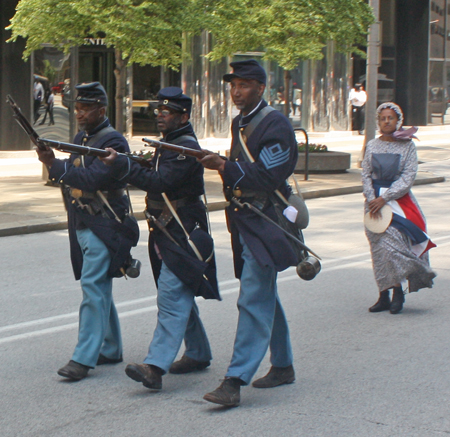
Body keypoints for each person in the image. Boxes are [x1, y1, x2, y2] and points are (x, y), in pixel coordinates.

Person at [100, 87, 220, 391]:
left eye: (167, 112)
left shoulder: (184, 148)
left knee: (170, 295)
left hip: (181, 230)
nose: (160, 116)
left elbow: (160, 181)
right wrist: (133, 161)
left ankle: (154, 366)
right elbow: (155, 170)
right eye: (159, 111)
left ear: (184, 116)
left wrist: (123, 166)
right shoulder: (170, 143)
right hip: (165, 230)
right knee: (179, 292)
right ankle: (197, 352)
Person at [199, 59, 299, 407]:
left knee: (253, 297)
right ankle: (283, 365)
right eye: (233, 86)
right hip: (244, 218)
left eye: (243, 85)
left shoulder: (275, 124)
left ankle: (235, 379)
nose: (235, 92)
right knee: (262, 293)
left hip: (266, 220)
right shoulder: (239, 123)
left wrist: (224, 166)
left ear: (260, 87)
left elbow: (267, 176)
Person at [36, 82, 137, 381]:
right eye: (76, 108)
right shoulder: (83, 136)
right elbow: (75, 165)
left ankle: (83, 357)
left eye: (85, 108)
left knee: (93, 287)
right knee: (98, 284)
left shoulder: (114, 142)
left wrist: (55, 166)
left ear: (102, 110)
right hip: (84, 221)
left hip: (104, 222)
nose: (78, 113)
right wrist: (51, 160)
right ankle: (110, 346)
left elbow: (91, 178)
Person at [362, 102, 436, 314]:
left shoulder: (408, 146)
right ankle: (383, 294)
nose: (387, 121)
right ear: (379, 121)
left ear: (398, 121)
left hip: (397, 203)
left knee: (392, 248)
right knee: (378, 251)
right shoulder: (372, 145)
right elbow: (365, 174)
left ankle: (398, 293)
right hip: (373, 205)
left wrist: (385, 198)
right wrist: (371, 197)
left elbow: (408, 177)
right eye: (383, 118)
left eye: (390, 118)